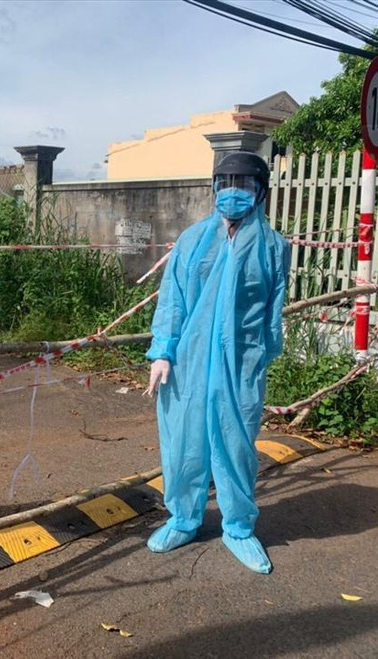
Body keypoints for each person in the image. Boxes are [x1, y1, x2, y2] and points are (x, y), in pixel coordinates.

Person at [144, 152, 289, 574]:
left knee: (237, 446)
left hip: (241, 363)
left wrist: (261, 358)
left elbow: (272, 311)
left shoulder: (274, 248)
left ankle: (239, 527)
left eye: (243, 185)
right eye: (225, 183)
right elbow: (172, 301)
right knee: (184, 444)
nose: (233, 193)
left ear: (260, 192)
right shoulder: (192, 240)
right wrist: (162, 352)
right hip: (186, 362)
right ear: (213, 188)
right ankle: (183, 519)